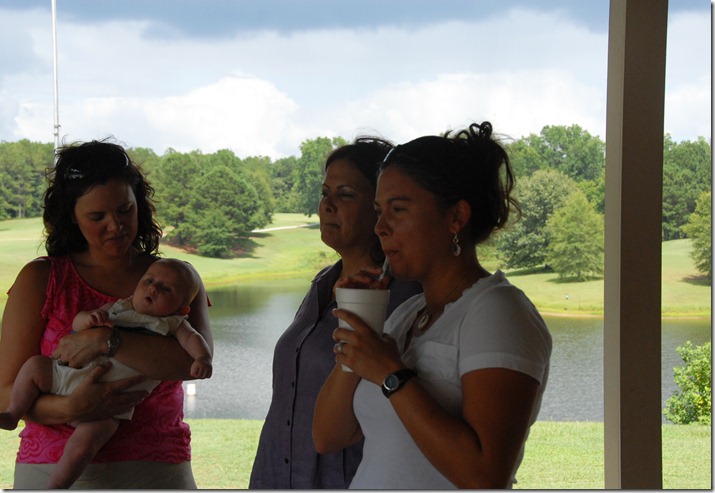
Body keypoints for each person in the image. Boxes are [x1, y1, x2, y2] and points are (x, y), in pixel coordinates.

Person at [313, 122, 552, 489]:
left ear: (456, 217)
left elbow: (485, 475)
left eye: (398, 209)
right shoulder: (407, 315)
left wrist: (392, 374)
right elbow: (328, 436)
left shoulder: (499, 311)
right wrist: (362, 328)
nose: (380, 227)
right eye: (379, 210)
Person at [0, 139, 213, 489]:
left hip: (157, 469)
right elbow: (6, 393)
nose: (115, 225)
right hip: (49, 470)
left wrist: (107, 341)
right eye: (97, 216)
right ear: (72, 216)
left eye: (124, 210)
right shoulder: (41, 279)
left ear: (138, 205)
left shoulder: (176, 277)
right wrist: (71, 409)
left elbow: (191, 365)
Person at [249, 137, 421, 489]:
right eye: (325, 193)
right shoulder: (323, 284)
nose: (327, 205)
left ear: (379, 207)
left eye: (345, 194)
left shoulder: (403, 298)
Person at [0, 257, 212, 488]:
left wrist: (203, 358)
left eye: (166, 289)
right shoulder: (121, 306)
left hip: (114, 406)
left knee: (83, 446)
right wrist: (88, 319)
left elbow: (194, 344)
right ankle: (13, 414)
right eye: (149, 281)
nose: (153, 289)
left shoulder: (175, 323)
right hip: (65, 376)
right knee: (34, 366)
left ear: (182, 307)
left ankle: (57, 486)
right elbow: (79, 322)